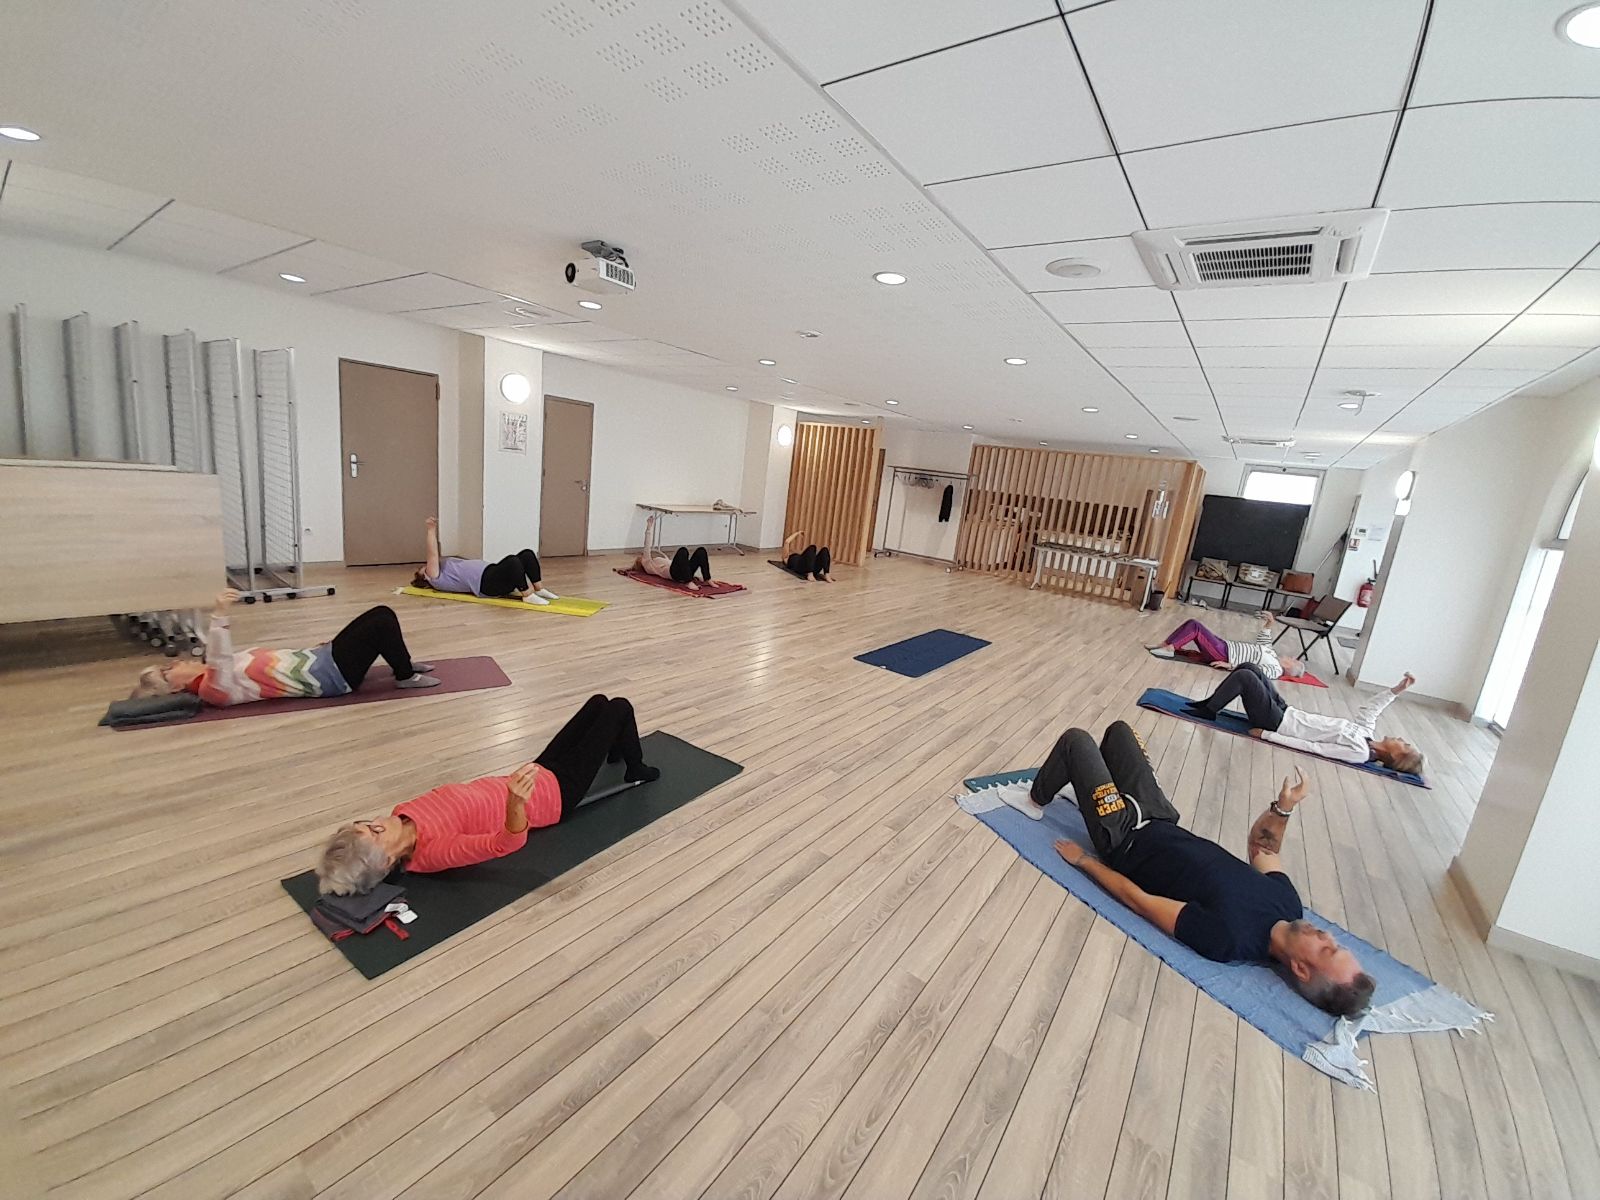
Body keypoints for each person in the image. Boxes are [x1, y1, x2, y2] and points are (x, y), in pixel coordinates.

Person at [998, 721, 1375, 1017]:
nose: (1327, 936)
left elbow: (1140, 900)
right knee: (1119, 733)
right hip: (1161, 818)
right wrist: (1283, 809)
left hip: (1123, 839)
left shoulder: (1227, 939)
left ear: (1302, 971)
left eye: (1326, 950)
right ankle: (1083, 789)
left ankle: (1034, 798)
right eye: (1335, 943)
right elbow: (1264, 847)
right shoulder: (1288, 904)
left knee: (1076, 741)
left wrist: (1085, 862)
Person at [315, 693, 661, 895]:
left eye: (366, 823)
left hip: (532, 772)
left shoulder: (401, 813)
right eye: (374, 832)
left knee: (598, 704)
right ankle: (635, 767)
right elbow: (504, 844)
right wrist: (515, 802)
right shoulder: (432, 852)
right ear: (388, 860)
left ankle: (613, 748)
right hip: (554, 795)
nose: (377, 821)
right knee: (619, 707)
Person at [130, 590, 438, 704]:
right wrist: (219, 617)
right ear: (173, 689)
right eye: (167, 672)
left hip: (322, 658)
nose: (174, 664)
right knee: (382, 619)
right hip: (332, 677)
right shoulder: (214, 690)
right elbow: (220, 660)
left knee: (379, 615)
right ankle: (404, 675)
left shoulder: (211, 678)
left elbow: (278, 662)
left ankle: (405, 665)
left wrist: (316, 649)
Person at [1187, 665, 1424, 775]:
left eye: (1405, 744)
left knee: (1245, 677)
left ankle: (1209, 710)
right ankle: (1210, 703)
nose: (1402, 739)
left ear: (1395, 756)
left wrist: (1267, 735)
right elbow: (1372, 709)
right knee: (1252, 668)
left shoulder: (1359, 753)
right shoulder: (1365, 734)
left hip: (1278, 724)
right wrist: (1397, 690)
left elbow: (1314, 748)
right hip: (1288, 712)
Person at [414, 516, 558, 605]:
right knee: (513, 561)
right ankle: (527, 595)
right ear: (424, 578)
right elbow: (432, 554)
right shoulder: (433, 577)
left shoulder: (443, 567)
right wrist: (431, 530)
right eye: (423, 568)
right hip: (487, 585)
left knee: (527, 554)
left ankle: (539, 589)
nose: (425, 566)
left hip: (494, 574)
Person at [1149, 610, 1305, 680]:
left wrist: (1231, 665)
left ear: (1290, 667)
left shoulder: (1276, 670)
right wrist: (1270, 622)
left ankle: (1170, 648)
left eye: (1294, 660)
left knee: (1195, 626)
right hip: (1225, 646)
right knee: (1193, 625)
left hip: (1225, 654)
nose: (1291, 657)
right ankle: (1165, 644)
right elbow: (1264, 640)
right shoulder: (1273, 656)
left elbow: (1256, 671)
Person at [633, 513, 723, 590]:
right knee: (683, 550)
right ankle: (688, 582)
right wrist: (648, 528)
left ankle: (707, 578)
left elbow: (678, 562)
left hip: (683, 570)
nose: (642, 556)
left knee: (701, 551)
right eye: (640, 557)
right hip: (675, 574)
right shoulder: (648, 565)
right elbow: (647, 546)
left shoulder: (656, 561)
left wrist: (697, 576)